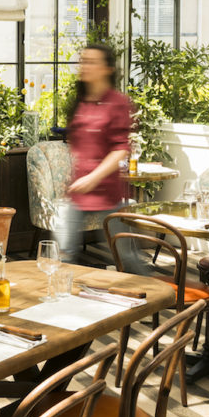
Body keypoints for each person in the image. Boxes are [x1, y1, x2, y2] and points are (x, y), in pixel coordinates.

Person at [57, 43, 146, 272]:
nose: (84, 66)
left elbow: (120, 149)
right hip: (78, 193)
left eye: (91, 62)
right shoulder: (82, 102)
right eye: (83, 61)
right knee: (64, 255)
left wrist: (93, 178)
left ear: (107, 69)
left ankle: (161, 295)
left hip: (107, 193)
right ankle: (65, 304)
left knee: (125, 257)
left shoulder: (118, 103)